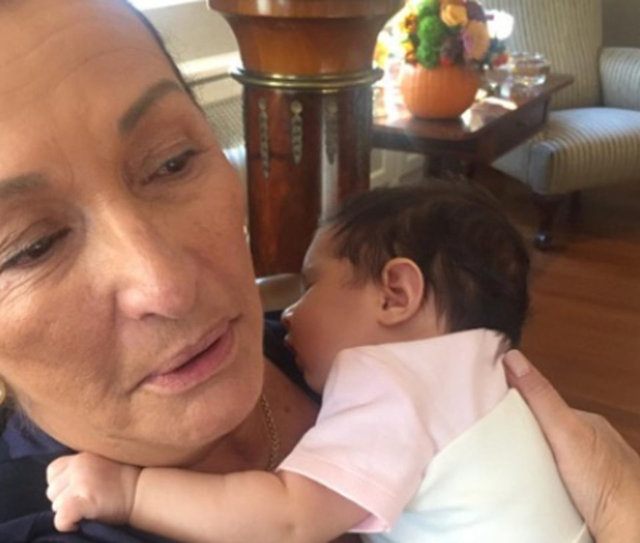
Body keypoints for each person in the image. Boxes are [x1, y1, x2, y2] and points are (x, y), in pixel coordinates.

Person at [0, 0, 638, 542]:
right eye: (31, 246)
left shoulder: (357, 366)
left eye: (172, 162)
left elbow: (290, 517)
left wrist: (134, 492)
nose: (167, 286)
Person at [45, 184, 590, 542]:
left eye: (311, 286)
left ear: (396, 294)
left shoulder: (393, 382)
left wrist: (131, 492)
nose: (289, 314)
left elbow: (289, 518)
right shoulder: (484, 366)